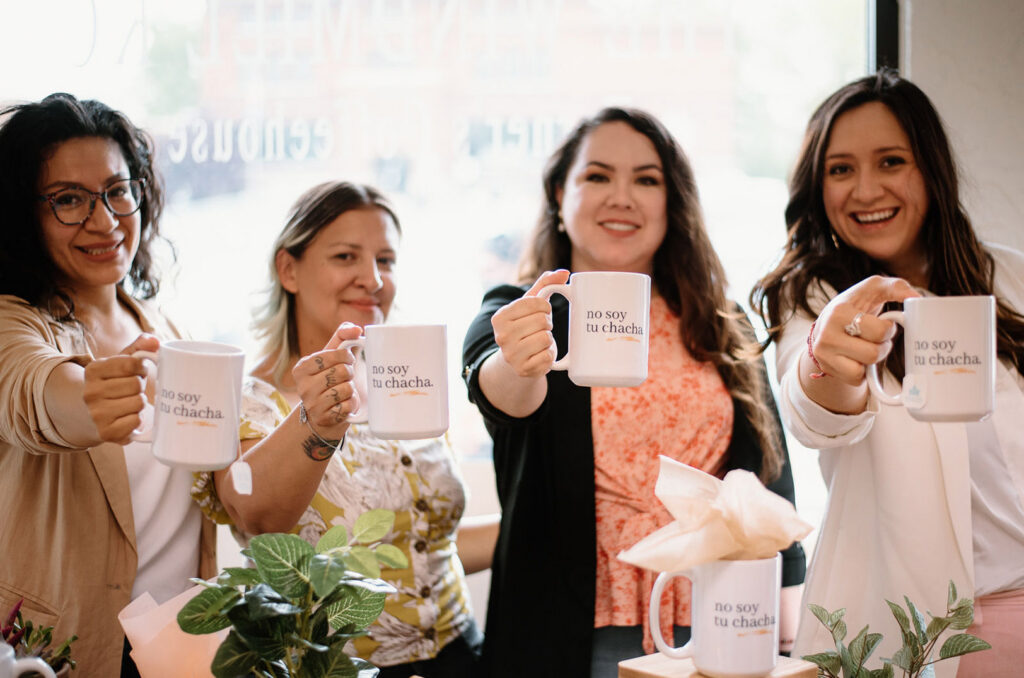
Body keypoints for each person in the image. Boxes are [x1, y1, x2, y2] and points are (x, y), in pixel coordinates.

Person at [461, 107, 806, 678]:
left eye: (646, 179)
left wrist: (787, 618)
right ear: (558, 194)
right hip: (573, 633)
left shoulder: (720, 322)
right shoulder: (518, 313)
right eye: (597, 176)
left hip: (718, 618)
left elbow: (768, 477)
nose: (622, 196)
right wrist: (521, 361)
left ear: (672, 202)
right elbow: (500, 394)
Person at [751, 69, 1024, 677]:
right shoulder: (815, 297)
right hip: (914, 635)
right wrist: (833, 355)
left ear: (931, 168)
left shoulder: (1011, 280)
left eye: (892, 161)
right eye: (840, 169)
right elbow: (812, 409)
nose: (865, 189)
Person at [191, 181, 498, 677]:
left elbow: (427, 543)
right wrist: (319, 422)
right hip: (339, 669)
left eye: (386, 260)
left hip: (464, 655)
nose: (373, 278)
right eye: (345, 257)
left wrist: (548, 528)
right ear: (288, 269)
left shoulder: (406, 385)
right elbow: (258, 518)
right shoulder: (249, 401)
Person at [0, 93, 217, 677]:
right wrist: (88, 400)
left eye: (117, 191)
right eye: (68, 200)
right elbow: (34, 392)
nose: (104, 221)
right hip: (63, 647)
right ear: (24, 214)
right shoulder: (11, 322)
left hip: (178, 645)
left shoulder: (168, 328)